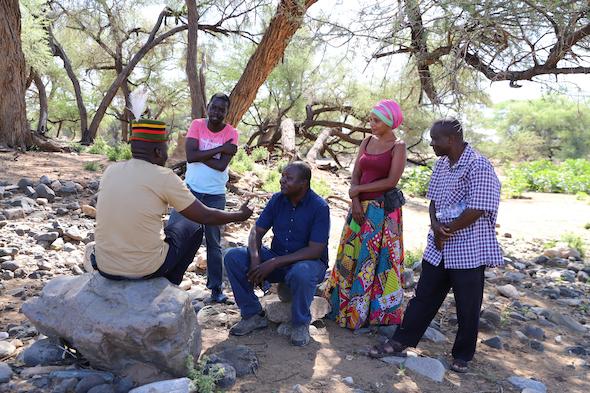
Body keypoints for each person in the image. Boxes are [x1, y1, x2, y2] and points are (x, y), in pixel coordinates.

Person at [369, 119, 503, 374]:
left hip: (468, 248)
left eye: (435, 139)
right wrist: (435, 225)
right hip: (440, 244)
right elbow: (433, 201)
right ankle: (401, 340)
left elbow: (478, 208)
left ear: (451, 139)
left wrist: (448, 229)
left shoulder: (478, 165)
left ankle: (462, 355)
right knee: (423, 297)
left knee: (468, 304)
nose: (431, 144)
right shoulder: (441, 165)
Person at [93, 119, 252, 285]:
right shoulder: (164, 176)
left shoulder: (111, 171)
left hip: (105, 266)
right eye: (165, 148)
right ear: (158, 151)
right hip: (143, 269)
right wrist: (239, 215)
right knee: (193, 226)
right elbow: (205, 216)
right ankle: (170, 283)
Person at [224, 161, 330, 347]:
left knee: (302, 272)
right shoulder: (277, 200)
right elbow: (256, 232)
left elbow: (315, 250)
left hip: (309, 264)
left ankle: (300, 323)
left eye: (289, 178)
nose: (282, 181)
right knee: (233, 256)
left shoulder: (319, 207)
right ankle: (252, 315)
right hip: (277, 259)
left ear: (303, 183)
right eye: (282, 176)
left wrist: (273, 262)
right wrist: (256, 261)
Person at [323, 99, 406, 330]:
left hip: (382, 212)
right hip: (359, 209)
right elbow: (357, 173)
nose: (371, 123)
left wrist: (358, 191)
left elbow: (391, 181)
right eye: (370, 119)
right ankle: (345, 309)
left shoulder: (398, 146)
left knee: (379, 261)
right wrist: (356, 200)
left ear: (389, 122)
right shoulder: (367, 141)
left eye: (376, 120)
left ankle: (376, 314)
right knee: (352, 256)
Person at [168, 93, 239, 303]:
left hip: (216, 194)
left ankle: (216, 289)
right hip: (190, 191)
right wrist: (219, 149)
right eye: (214, 108)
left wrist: (201, 153)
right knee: (175, 234)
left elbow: (220, 166)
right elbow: (190, 156)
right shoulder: (197, 125)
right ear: (208, 107)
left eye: (221, 109)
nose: (217, 112)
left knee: (214, 243)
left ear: (227, 112)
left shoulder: (232, 133)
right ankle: (168, 281)